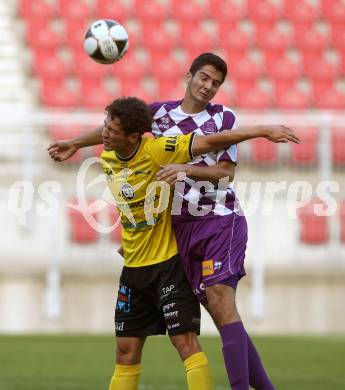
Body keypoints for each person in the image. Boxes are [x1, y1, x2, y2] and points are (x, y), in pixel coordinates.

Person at [48, 55, 299, 390]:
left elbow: (225, 175)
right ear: (189, 75)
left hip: (217, 218)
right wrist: (76, 143)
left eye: (216, 83)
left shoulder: (223, 118)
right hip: (178, 227)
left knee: (222, 303)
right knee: (221, 315)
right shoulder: (158, 114)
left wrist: (186, 169)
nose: (208, 87)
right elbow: (116, 127)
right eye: (204, 78)